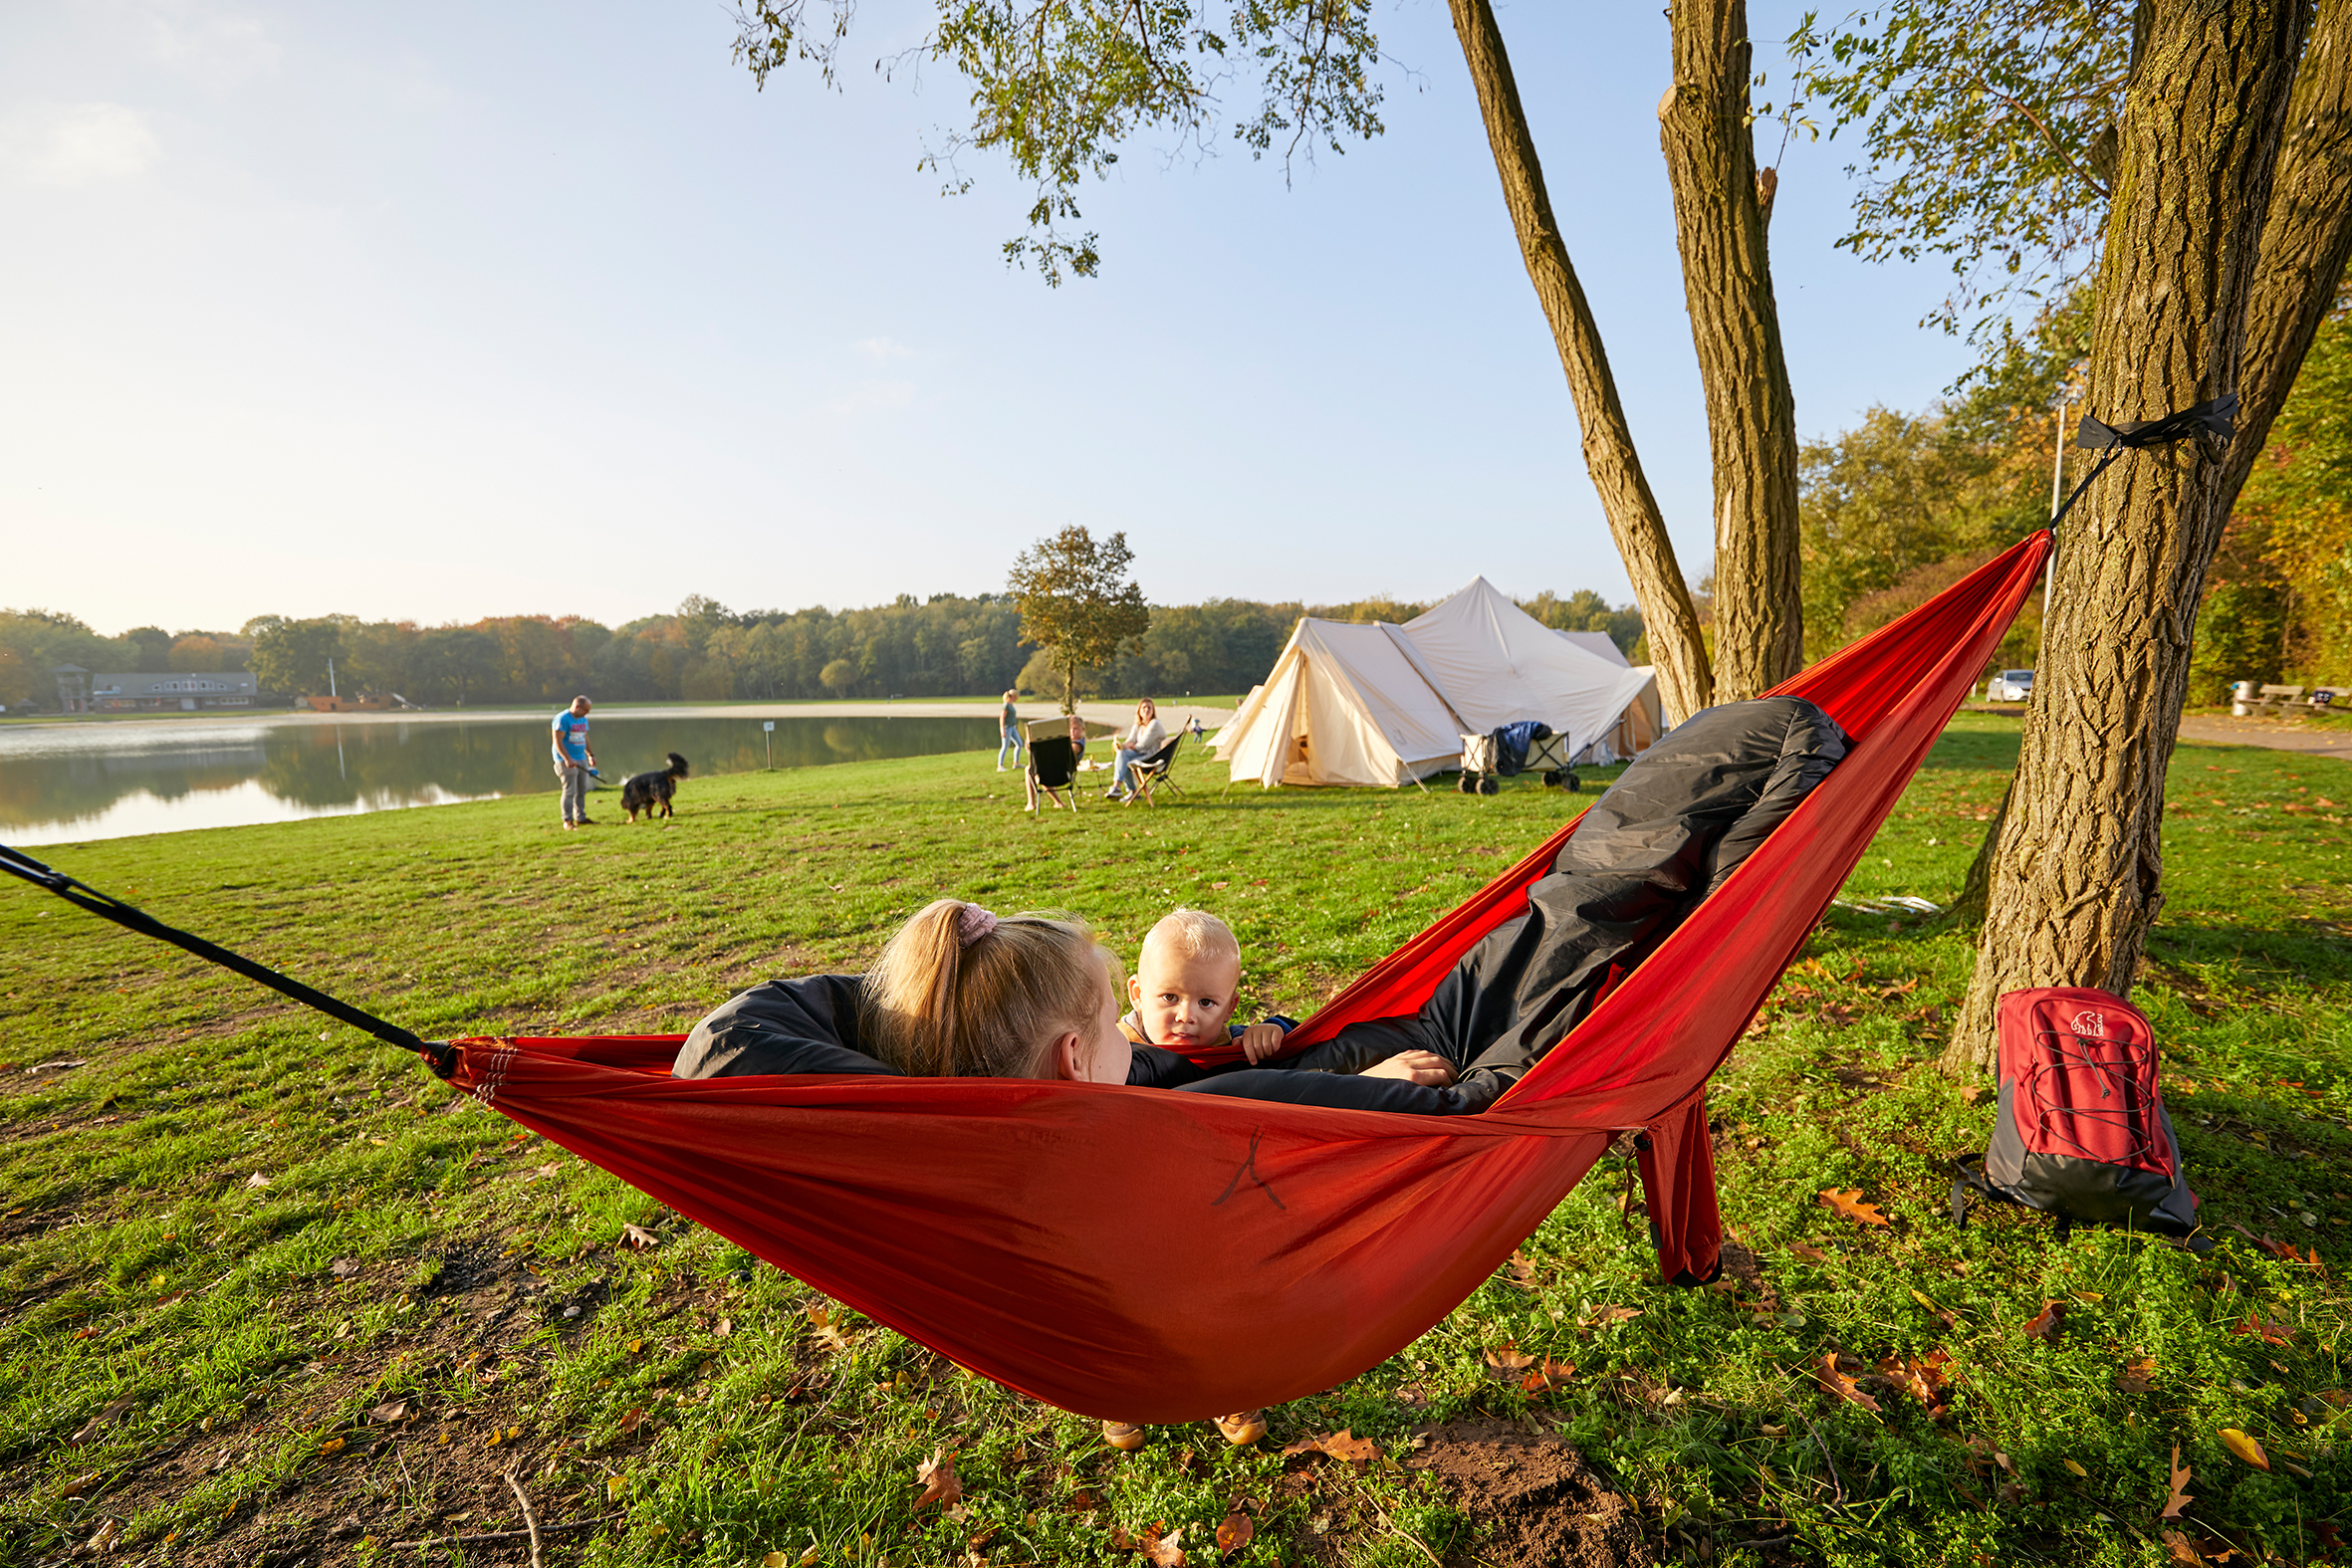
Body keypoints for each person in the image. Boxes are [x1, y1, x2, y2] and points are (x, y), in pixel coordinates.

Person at [1118, 908, 1299, 1063]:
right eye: (1170, 997)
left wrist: (1269, 1033)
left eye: (1205, 1002)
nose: (1186, 1016)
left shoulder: (1229, 1044)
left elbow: (1298, 1047)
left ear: (1229, 1008)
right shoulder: (1111, 1047)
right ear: (1137, 994)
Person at [1024, 715, 1087, 813]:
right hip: (1052, 770)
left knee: (1036, 770)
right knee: (1031, 769)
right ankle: (1031, 802)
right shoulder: (1066, 741)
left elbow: (1067, 753)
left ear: (1082, 729)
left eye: (1075, 729)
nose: (1072, 732)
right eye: (1070, 729)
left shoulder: (1079, 743)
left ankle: (1056, 802)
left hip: (1065, 773)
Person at [551, 695, 596, 829]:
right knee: (570, 790)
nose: (587, 713)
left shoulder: (583, 719)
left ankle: (580, 817)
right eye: (585, 710)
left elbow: (584, 737)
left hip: (581, 758)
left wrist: (590, 755)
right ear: (577, 707)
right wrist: (567, 758)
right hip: (566, 760)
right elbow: (557, 741)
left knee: (582, 790)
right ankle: (567, 821)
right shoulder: (562, 719)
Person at [1108, 698, 1166, 801]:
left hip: (1152, 757)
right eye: (1144, 708)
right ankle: (1121, 789)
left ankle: (1124, 789)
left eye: (1149, 708)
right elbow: (1130, 740)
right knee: (1122, 754)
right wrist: (1121, 746)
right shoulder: (1138, 725)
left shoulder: (1155, 724)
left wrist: (1127, 746)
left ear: (1153, 711)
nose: (1146, 710)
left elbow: (1141, 746)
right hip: (1140, 755)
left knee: (1124, 756)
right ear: (1139, 711)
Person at [997, 689, 1023, 772]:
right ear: (1013, 697)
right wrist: (1002, 730)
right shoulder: (1006, 706)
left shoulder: (1011, 705)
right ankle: (1000, 766)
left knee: (1019, 744)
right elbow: (1002, 718)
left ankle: (1016, 763)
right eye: (1016, 697)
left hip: (1013, 727)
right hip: (1007, 728)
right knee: (1005, 747)